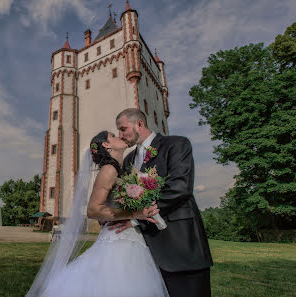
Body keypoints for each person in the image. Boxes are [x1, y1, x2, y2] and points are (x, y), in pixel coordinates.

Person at [26, 131, 169, 297]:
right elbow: (93, 210)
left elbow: (107, 207)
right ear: (106, 145)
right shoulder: (109, 170)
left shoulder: (119, 169)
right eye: (113, 136)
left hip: (126, 235)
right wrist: (135, 213)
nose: (120, 137)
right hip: (118, 240)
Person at [111, 108, 213, 297]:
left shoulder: (176, 144)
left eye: (123, 129)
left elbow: (179, 188)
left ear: (139, 124)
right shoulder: (128, 160)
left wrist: (136, 218)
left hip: (180, 246)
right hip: (144, 255)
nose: (121, 135)